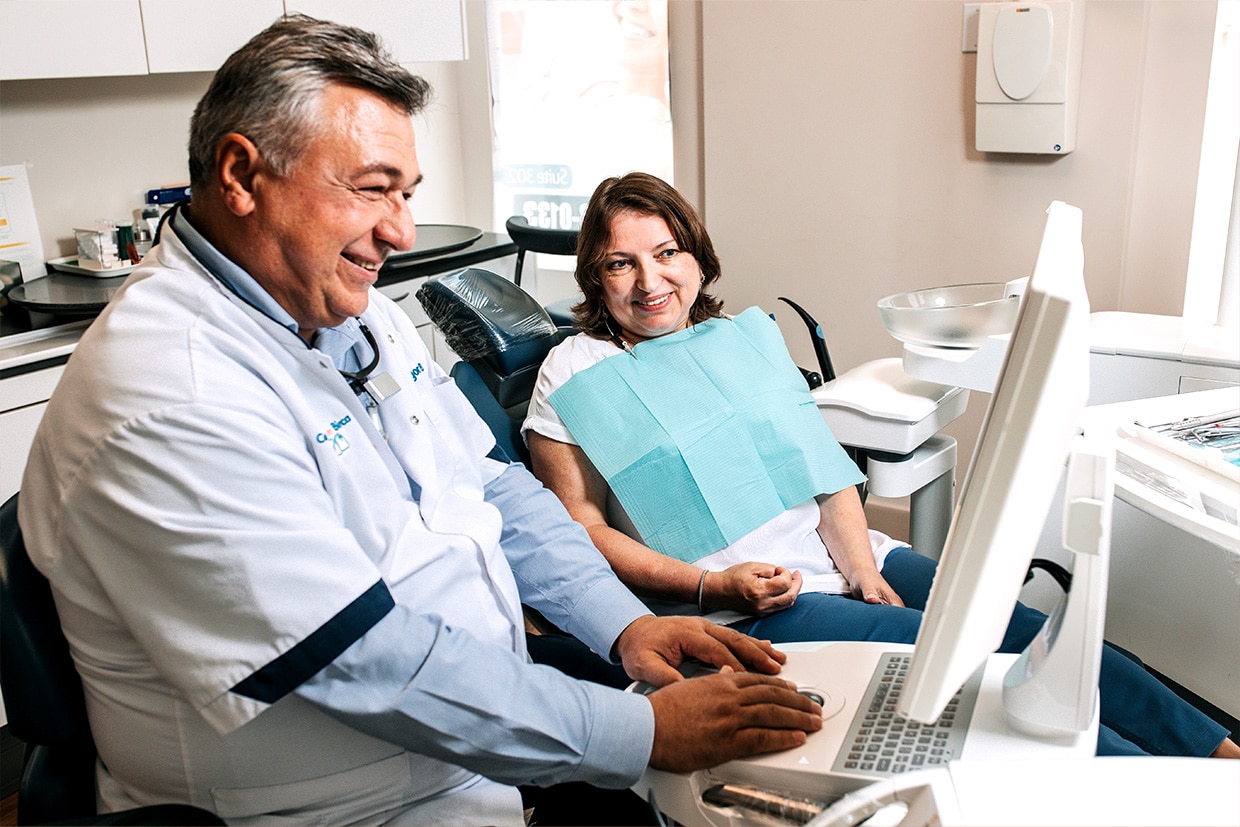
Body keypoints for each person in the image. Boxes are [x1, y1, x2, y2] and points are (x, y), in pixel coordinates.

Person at [16, 19, 825, 827]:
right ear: (241, 174)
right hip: (327, 808)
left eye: (406, 193)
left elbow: (493, 486)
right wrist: (637, 729)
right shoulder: (171, 390)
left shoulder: (360, 319)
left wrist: (627, 624)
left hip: (470, 759)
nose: (401, 232)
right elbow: (361, 658)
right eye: (371, 189)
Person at [522, 171, 1240, 761]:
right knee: (972, 674)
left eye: (667, 252)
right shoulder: (575, 370)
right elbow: (577, 528)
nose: (650, 280)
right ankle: (1160, 790)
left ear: (698, 258)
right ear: (596, 274)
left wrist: (864, 564)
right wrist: (711, 583)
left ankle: (1216, 754)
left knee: (1038, 634)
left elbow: (822, 464)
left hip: (843, 554)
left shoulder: (733, 338)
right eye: (622, 262)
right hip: (749, 604)